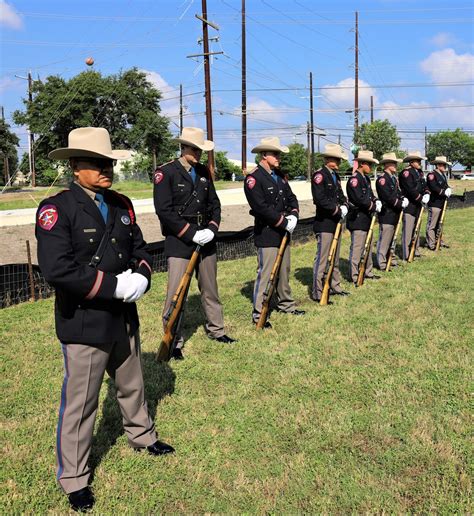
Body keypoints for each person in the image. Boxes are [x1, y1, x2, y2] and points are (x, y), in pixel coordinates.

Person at [36, 127, 174, 512]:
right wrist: (113, 286)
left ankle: (142, 435)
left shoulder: (121, 203)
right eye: (97, 163)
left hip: (123, 316)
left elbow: (141, 249)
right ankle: (74, 477)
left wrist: (142, 277)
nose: (106, 169)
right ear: (75, 166)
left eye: (108, 162)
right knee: (81, 403)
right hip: (85, 320)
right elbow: (57, 269)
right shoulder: (56, 208)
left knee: (132, 384)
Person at [153, 127, 236, 359]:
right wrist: (190, 233)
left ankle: (216, 330)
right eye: (194, 149)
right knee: (176, 293)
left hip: (206, 238)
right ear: (183, 147)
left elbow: (214, 204)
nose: (198, 153)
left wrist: (212, 228)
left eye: (200, 149)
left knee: (210, 288)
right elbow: (164, 211)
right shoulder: (165, 173)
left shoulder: (203, 172)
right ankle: (173, 340)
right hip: (180, 239)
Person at [244, 136, 305, 327]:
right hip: (268, 233)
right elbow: (261, 208)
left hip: (284, 231)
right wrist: (282, 221)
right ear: (264, 155)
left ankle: (286, 304)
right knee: (266, 273)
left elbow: (291, 198)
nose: (279, 157)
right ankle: (259, 312)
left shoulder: (279, 176)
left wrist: (293, 215)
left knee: (284, 270)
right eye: (275, 154)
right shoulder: (254, 179)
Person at [311, 143, 350, 302]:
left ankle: (335, 285)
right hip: (325, 223)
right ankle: (318, 291)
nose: (339, 162)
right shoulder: (319, 175)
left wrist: (345, 205)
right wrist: (337, 209)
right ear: (328, 159)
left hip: (336, 222)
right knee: (323, 258)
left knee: (334, 256)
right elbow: (320, 199)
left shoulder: (335, 176)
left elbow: (341, 195)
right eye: (336, 159)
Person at [346, 150, 381, 284]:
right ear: (362, 164)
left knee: (368, 246)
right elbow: (359, 199)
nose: (371, 168)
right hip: (358, 219)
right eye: (369, 165)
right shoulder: (354, 180)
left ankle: (367, 271)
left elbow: (370, 195)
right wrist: (372, 206)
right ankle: (354, 275)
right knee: (358, 248)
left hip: (367, 218)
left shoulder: (365, 179)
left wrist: (375, 200)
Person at [375, 152, 409, 270]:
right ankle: (382, 262)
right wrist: (399, 203)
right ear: (387, 164)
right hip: (387, 213)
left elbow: (397, 193)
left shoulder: (393, 178)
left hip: (394, 213)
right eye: (393, 163)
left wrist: (402, 198)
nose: (395, 165)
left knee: (392, 238)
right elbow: (388, 197)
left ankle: (392, 259)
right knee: (385, 239)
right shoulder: (382, 179)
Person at [398, 151, 430, 260]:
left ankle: (415, 250)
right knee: (408, 231)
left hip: (418, 206)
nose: (420, 162)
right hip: (410, 205)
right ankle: (406, 254)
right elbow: (410, 189)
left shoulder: (419, 172)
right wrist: (421, 198)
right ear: (412, 162)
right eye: (418, 160)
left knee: (416, 228)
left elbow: (424, 185)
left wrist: (426, 193)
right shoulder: (406, 173)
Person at [426, 156, 452, 250]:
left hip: (441, 203)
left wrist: (448, 188)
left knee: (440, 223)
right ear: (438, 165)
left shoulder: (442, 175)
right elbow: (433, 187)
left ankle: (439, 240)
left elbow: (445, 185)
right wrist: (443, 192)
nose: (445, 167)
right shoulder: (432, 174)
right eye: (443, 165)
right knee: (432, 225)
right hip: (434, 203)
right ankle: (431, 243)